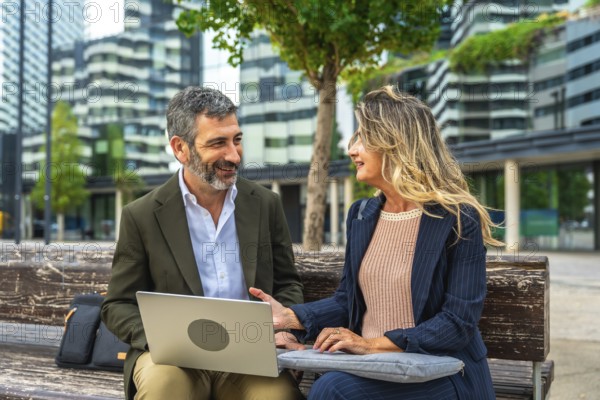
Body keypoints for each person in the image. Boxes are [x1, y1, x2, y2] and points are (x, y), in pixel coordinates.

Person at [250, 86, 503, 400]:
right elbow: (347, 302)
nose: (352, 149)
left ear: (396, 143)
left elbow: (457, 324)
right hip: (374, 368)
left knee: (330, 389)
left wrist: (370, 344)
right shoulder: (362, 215)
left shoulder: (457, 218)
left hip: (442, 372)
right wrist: (293, 317)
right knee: (327, 385)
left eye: (363, 138)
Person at [101, 86, 304, 400]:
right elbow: (117, 305)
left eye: (236, 140)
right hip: (172, 360)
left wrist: (283, 325)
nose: (234, 156)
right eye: (217, 143)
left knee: (276, 397)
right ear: (180, 149)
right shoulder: (141, 216)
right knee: (164, 389)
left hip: (248, 359)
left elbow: (288, 283)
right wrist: (161, 338)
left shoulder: (266, 204)